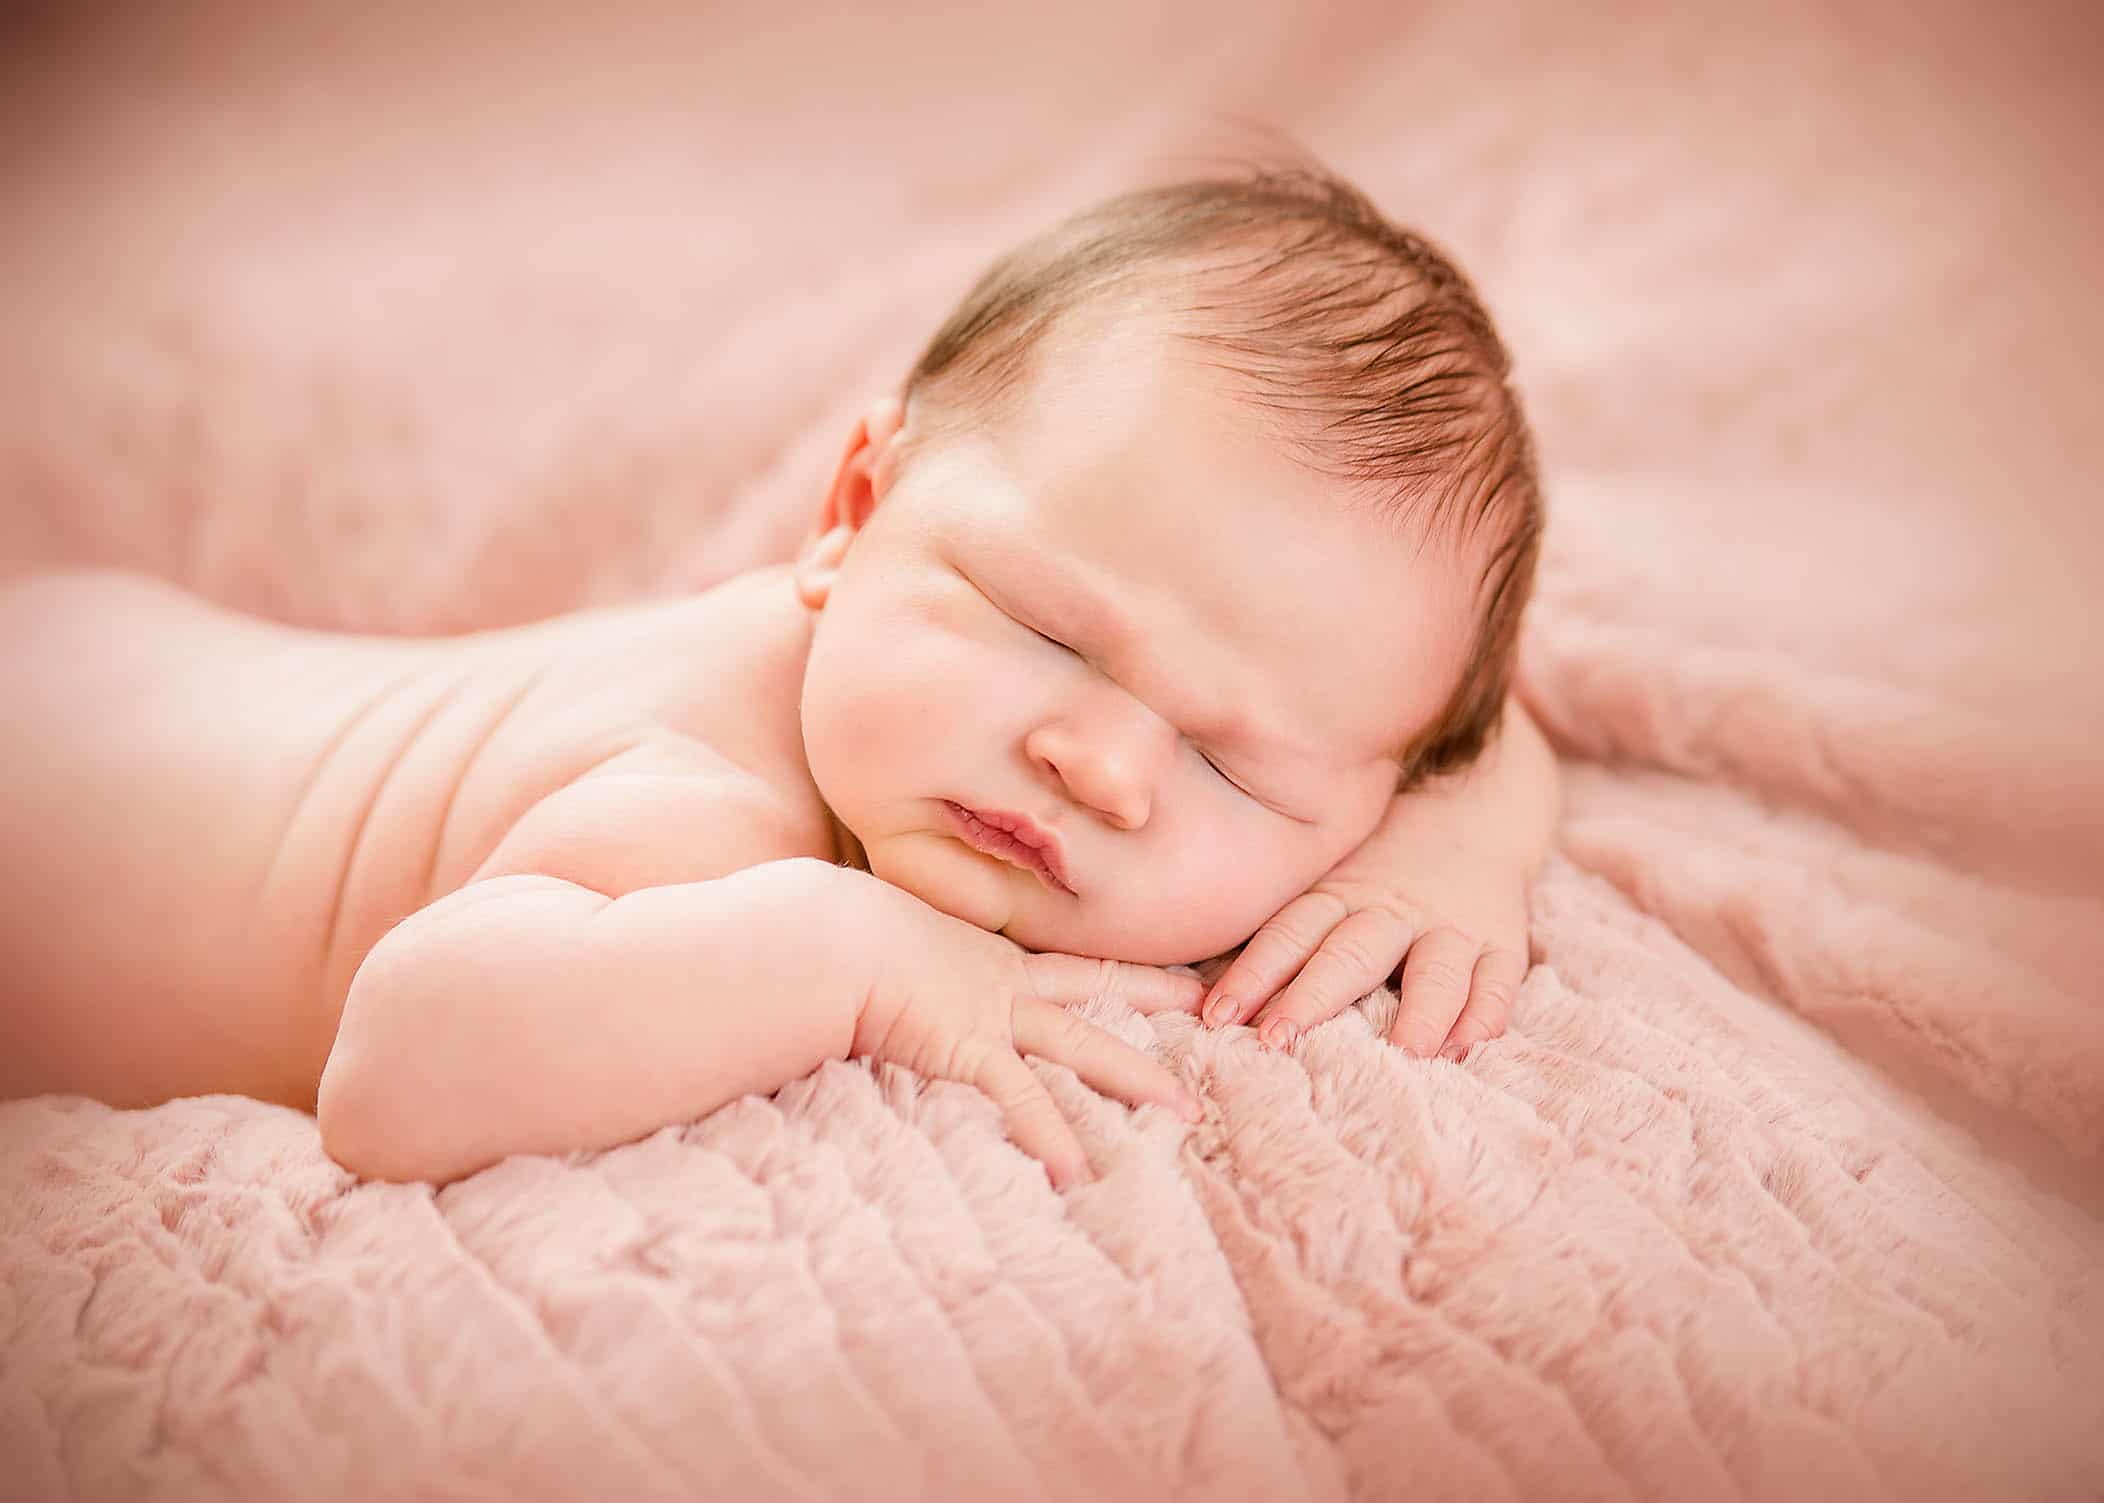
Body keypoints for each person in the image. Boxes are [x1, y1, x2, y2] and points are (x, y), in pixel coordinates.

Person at [0, 167, 1561, 1190]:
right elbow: (401, 1072)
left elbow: (1452, 737)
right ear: (853, 518)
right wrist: (853, 956)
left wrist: (1459, 856)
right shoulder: (705, 802)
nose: (1105, 765)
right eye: (1049, 631)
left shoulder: (1279, 720)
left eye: (1236, 766)